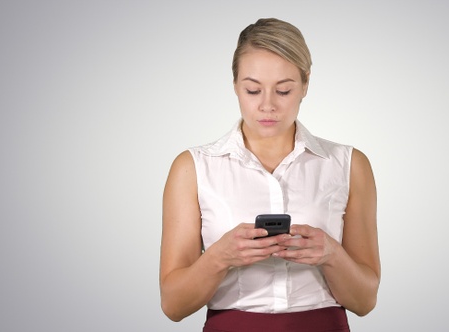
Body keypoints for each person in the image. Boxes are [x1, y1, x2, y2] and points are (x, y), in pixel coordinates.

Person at [160, 18, 380, 332]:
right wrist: (220, 257)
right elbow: (173, 305)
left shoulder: (348, 164)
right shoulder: (192, 167)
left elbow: (365, 301)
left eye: (283, 90)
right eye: (252, 89)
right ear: (235, 84)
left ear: (305, 84)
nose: (267, 105)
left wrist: (331, 254)